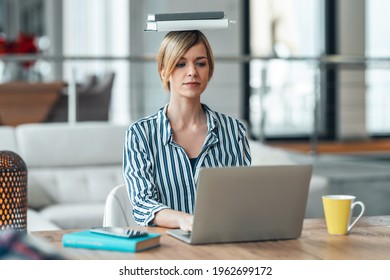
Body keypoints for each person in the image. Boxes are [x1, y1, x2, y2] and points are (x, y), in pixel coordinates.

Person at [123, 30, 251, 232]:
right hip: (166, 249)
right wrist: (185, 220)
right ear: (164, 71)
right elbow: (143, 205)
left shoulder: (234, 131)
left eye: (200, 63)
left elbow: (243, 198)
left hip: (220, 243)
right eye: (181, 64)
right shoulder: (141, 134)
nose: (192, 71)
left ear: (209, 70)